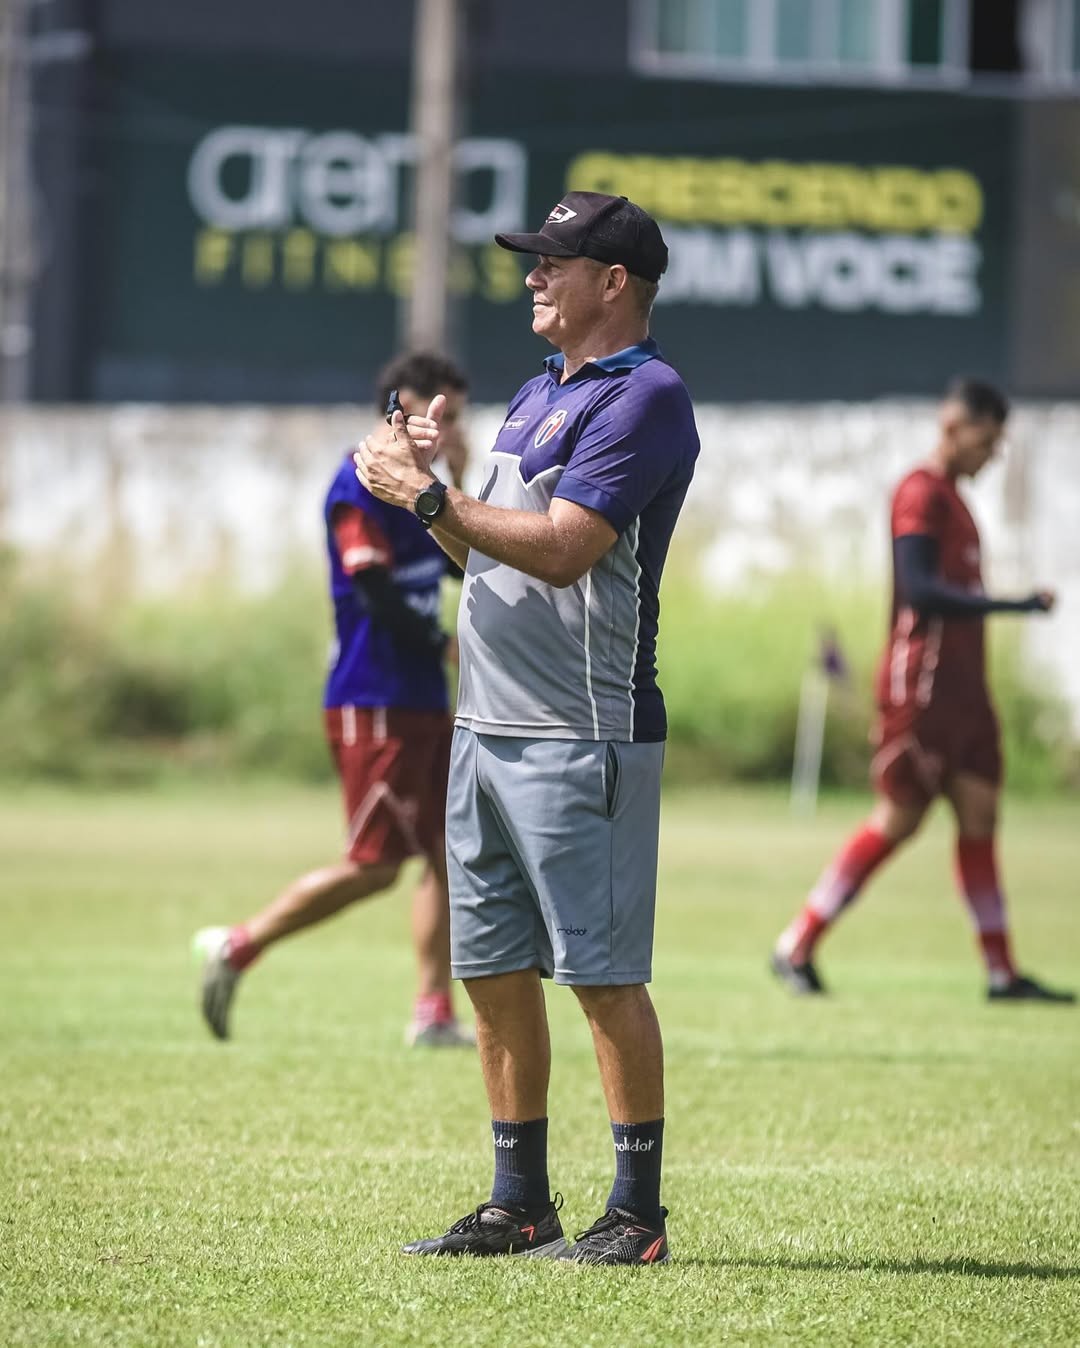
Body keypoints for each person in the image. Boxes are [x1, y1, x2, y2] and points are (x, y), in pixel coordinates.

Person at [355, 191, 699, 1265]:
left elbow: (563, 547)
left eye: (555, 261)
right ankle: (520, 1202)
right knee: (492, 965)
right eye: (532, 259)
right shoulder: (531, 393)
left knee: (600, 971)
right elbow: (491, 552)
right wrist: (439, 492)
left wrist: (425, 501)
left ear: (615, 284)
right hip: (486, 725)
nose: (532, 276)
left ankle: (635, 1215)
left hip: (579, 727)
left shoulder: (646, 396)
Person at [193, 351, 476, 1048]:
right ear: (396, 410)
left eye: (455, 418)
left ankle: (433, 1012)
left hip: (421, 700)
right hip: (373, 696)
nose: (443, 427)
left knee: (448, 853)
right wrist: (443, 643)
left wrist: (458, 481)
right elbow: (374, 591)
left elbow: (468, 563)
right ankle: (240, 946)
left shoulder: (423, 491)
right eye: (433, 413)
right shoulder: (358, 485)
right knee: (376, 866)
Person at [772, 377, 1074, 1004]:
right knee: (900, 818)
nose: (992, 456)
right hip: (924, 688)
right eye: (987, 442)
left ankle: (1001, 973)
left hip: (967, 691)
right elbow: (920, 591)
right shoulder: (921, 493)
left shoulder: (959, 502)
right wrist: (1013, 603)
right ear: (954, 428)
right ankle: (796, 942)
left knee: (981, 815)